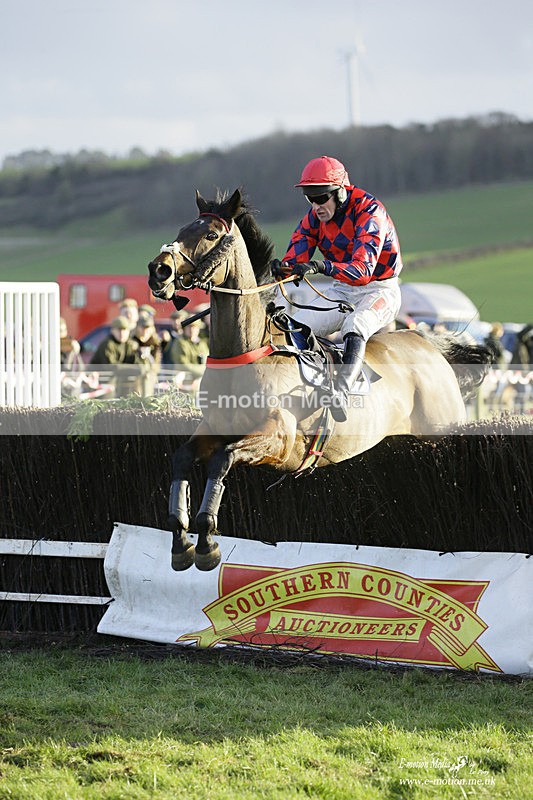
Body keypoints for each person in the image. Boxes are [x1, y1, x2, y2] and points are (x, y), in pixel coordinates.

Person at [271, 155, 403, 422]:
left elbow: (362, 271)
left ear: (341, 192)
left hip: (379, 289)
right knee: (295, 326)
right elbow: (296, 256)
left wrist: (320, 267)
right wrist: (281, 268)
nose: (316, 205)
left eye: (322, 198)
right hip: (343, 289)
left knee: (355, 323)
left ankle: (342, 390)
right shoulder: (314, 219)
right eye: (310, 198)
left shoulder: (370, 212)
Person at [90, 315, 145, 397]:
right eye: (119, 330)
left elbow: (137, 362)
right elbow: (111, 367)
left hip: (119, 383)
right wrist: (136, 369)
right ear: (112, 330)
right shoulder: (107, 344)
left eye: (124, 330)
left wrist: (140, 365)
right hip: (101, 382)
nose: (122, 333)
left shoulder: (130, 344)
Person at [162, 310, 209, 393]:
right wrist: (201, 372)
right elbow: (182, 365)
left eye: (195, 327)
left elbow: (207, 363)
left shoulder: (202, 344)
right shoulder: (179, 342)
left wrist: (201, 375)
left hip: (200, 382)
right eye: (189, 326)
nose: (192, 329)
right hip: (184, 383)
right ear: (184, 328)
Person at [131, 312, 163, 395]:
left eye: (148, 328)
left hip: (150, 381)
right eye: (143, 327)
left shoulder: (155, 343)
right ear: (137, 327)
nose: (145, 331)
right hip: (132, 382)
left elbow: (157, 362)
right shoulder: (131, 341)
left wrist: (152, 371)